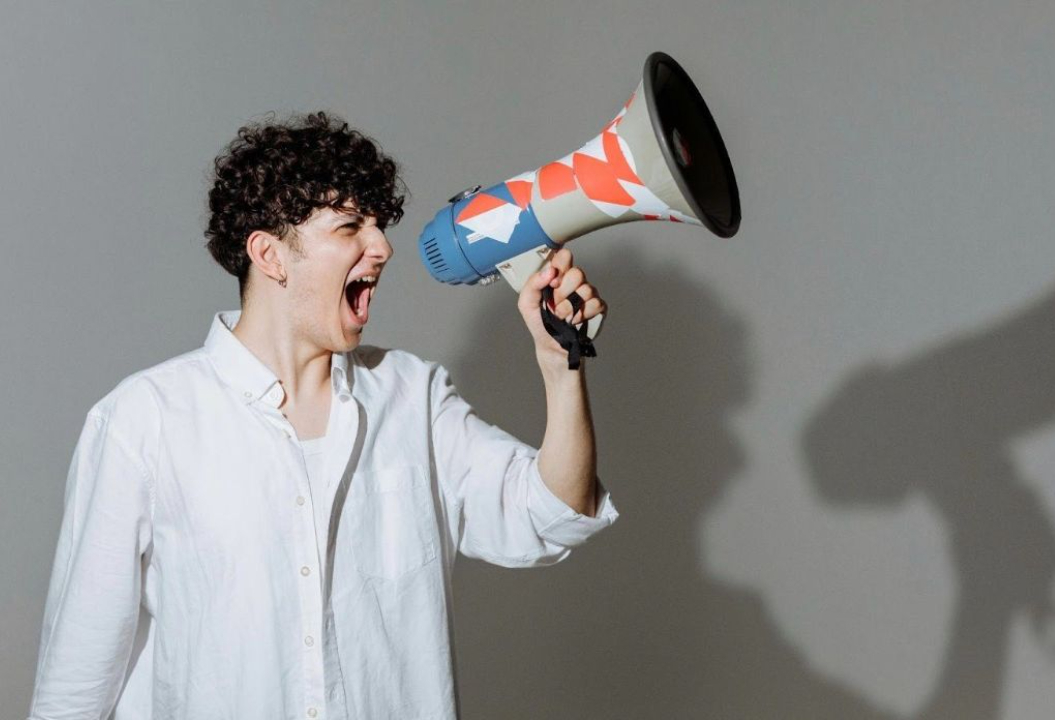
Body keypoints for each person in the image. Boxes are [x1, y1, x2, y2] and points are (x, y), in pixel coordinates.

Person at [27, 112, 619, 719]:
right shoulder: (143, 421)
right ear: (270, 255)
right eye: (350, 226)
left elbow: (553, 513)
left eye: (379, 224)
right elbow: (74, 686)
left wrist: (561, 366)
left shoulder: (412, 396)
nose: (382, 247)